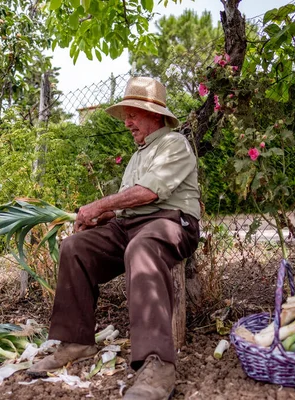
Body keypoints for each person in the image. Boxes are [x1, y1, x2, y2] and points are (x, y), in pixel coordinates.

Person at [27, 76, 201, 400]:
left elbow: (148, 193)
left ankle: (158, 365)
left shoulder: (174, 144)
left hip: (171, 223)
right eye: (126, 116)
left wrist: (98, 204)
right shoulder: (138, 156)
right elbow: (128, 204)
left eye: (132, 114)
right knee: (74, 247)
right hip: (131, 226)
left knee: (142, 249)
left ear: (155, 114)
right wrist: (106, 215)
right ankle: (76, 341)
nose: (128, 123)